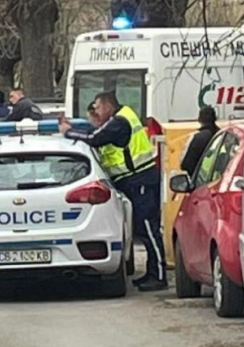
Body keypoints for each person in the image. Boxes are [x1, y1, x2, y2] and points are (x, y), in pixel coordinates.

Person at [59, 91, 167, 292]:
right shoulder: (120, 119)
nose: (97, 111)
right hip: (135, 181)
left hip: (140, 180)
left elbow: (94, 138)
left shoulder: (119, 121)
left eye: (98, 107)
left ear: (108, 105)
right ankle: (152, 274)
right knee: (143, 230)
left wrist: (68, 132)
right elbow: (99, 134)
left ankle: (159, 276)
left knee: (148, 230)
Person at [180, 106, 220, 175]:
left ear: (199, 120)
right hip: (221, 178)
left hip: (201, 179)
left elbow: (185, 164)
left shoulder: (197, 137)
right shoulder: (223, 134)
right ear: (215, 119)